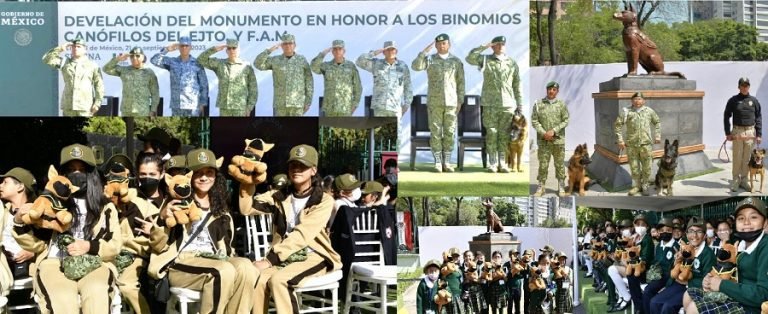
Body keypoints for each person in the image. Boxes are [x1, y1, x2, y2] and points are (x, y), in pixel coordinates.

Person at [12, 144, 121, 313]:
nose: (76, 174)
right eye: (71, 170)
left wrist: (88, 246)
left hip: (94, 262)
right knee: (63, 297)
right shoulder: (49, 204)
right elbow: (36, 245)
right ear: (63, 174)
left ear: (91, 174)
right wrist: (19, 222)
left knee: (96, 291)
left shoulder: (105, 207)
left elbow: (115, 245)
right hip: (55, 262)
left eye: (82, 169)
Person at [145, 148, 256, 314]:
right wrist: (162, 219)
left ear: (215, 176)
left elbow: (227, 247)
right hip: (182, 263)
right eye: (198, 173)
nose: (204, 177)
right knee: (223, 271)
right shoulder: (175, 201)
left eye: (209, 172)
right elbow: (159, 245)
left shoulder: (220, 208)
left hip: (215, 259)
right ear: (189, 176)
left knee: (246, 267)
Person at [238, 144, 342, 313]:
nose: (297, 169)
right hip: (285, 258)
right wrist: (247, 182)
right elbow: (247, 208)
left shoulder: (323, 200)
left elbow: (303, 234)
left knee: (279, 281)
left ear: (313, 170)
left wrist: (270, 260)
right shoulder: (279, 195)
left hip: (314, 256)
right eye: (293, 165)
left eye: (303, 166)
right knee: (257, 279)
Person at [685, 197, 768, 314]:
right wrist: (710, 279)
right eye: (741, 218)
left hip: (752, 307)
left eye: (753, 217)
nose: (746, 222)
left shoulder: (765, 246)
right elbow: (727, 269)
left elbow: (763, 294)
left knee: (694, 308)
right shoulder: (740, 245)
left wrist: (722, 284)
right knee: (688, 295)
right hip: (735, 294)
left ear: (765, 222)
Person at [102, 154, 159, 314]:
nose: (117, 179)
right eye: (113, 175)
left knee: (127, 287)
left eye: (123, 175)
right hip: (105, 256)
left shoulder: (140, 203)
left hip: (133, 256)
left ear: (130, 178)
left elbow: (157, 234)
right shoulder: (99, 202)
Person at [465, 36, 522, 173]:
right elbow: (469, 58)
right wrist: (484, 46)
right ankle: (492, 163)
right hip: (490, 103)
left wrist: (519, 103)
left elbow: (517, 84)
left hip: (507, 104)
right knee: (491, 133)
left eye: (503, 44)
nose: (501, 46)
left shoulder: (512, 63)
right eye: (498, 44)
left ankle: (502, 162)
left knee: (503, 134)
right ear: (493, 46)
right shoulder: (485, 60)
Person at [411, 33, 466, 173]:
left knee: (449, 132)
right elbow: (416, 66)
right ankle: (437, 162)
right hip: (435, 102)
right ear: (435, 45)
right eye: (439, 43)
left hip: (452, 102)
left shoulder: (456, 61)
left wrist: (460, 100)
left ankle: (447, 161)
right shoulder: (429, 60)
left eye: (444, 43)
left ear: (449, 44)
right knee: (435, 132)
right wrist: (424, 52)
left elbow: (461, 82)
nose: (442, 46)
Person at [649, 217, 715, 314]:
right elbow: (674, 270)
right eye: (691, 231)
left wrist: (688, 282)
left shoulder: (708, 254)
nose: (694, 235)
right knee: (654, 302)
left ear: (705, 235)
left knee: (668, 307)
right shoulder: (684, 248)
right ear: (687, 234)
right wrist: (676, 261)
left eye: (699, 231)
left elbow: (708, 281)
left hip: (693, 289)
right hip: (677, 285)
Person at [42, 36, 105, 117]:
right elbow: (46, 59)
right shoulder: (64, 62)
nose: (75, 48)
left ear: (85, 49)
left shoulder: (92, 65)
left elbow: (99, 84)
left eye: (79, 46)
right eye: (73, 47)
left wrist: (97, 103)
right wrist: (61, 48)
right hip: (69, 106)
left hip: (85, 107)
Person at [254, 34, 313, 116]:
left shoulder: (302, 60)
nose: (288, 45)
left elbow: (309, 80)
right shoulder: (275, 60)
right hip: (281, 104)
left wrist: (308, 101)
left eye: (290, 43)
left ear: (294, 45)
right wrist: (269, 51)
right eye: (285, 43)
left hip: (297, 104)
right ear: (281, 46)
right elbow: (257, 64)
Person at [614, 92, 661, 196]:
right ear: (632, 101)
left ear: (644, 101)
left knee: (647, 167)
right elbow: (617, 125)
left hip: (646, 145)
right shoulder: (626, 112)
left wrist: (657, 136)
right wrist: (620, 140)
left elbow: (657, 122)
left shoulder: (649, 111)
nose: (637, 101)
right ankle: (637, 186)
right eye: (635, 99)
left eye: (640, 99)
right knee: (634, 167)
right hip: (632, 145)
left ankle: (645, 185)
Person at [0, 168, 36, 302]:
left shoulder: (36, 210)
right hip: (5, 263)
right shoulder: (2, 211)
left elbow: (50, 241)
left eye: (5, 182)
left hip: (28, 265)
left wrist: (33, 253)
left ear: (20, 186)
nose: (0, 186)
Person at [150, 36, 209, 117]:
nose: (184, 48)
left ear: (190, 47)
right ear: (178, 47)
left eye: (186, 46)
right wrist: (166, 49)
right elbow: (154, 60)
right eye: (182, 46)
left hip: (193, 105)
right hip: (176, 104)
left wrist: (203, 103)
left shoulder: (197, 63)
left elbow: (204, 84)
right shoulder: (172, 62)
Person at [198, 39, 258, 117]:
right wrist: (215, 49)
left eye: (234, 48)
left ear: (239, 49)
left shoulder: (246, 66)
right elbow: (200, 59)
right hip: (224, 108)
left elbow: (253, 88)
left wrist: (249, 107)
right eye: (229, 48)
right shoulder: (220, 64)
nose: (231, 50)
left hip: (240, 108)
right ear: (226, 51)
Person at [356, 40, 413, 118]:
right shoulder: (376, 64)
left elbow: (408, 85)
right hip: (380, 107)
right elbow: (359, 61)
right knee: (381, 130)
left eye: (392, 49)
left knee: (395, 130)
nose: (390, 52)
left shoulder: (402, 66)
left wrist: (407, 104)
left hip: (395, 107)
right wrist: (374, 53)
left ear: (396, 51)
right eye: (387, 49)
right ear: (383, 52)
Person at [724, 77, 763, 192]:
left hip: (750, 132)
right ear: (739, 87)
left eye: (747, 85)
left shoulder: (754, 101)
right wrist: (727, 133)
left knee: (747, 158)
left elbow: (758, 117)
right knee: (737, 157)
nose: (745, 87)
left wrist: (759, 134)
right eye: (743, 85)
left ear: (749, 86)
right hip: (737, 132)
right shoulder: (733, 100)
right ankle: (736, 180)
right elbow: (726, 116)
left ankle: (744, 180)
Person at [532, 81, 569, 195]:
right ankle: (541, 186)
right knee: (543, 164)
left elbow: (566, 120)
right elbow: (534, 120)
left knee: (559, 164)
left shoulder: (561, 104)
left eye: (554, 89)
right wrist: (544, 133)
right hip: (544, 141)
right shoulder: (538, 104)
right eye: (549, 89)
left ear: (557, 91)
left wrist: (554, 131)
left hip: (558, 140)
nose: (551, 91)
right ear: (546, 90)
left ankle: (561, 185)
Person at [311, 39, 362, 117]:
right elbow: (314, 67)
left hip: (346, 108)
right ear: (332, 51)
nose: (337, 51)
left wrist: (354, 105)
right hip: (330, 108)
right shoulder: (326, 66)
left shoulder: (351, 66)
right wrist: (323, 54)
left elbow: (358, 87)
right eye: (335, 49)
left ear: (344, 51)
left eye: (340, 49)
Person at [103, 47, 160, 116]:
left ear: (143, 57)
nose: (134, 58)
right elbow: (106, 69)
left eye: (138, 56)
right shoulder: (124, 70)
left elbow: (155, 93)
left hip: (142, 111)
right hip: (126, 110)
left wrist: (153, 110)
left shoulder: (149, 73)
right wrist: (117, 59)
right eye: (132, 56)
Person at [640, 218, 679, 314]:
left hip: (670, 278)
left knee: (649, 292)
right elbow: (656, 261)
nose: (665, 233)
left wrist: (668, 285)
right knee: (647, 290)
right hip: (658, 275)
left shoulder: (676, 247)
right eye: (662, 231)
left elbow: (676, 268)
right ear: (658, 232)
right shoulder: (658, 246)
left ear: (673, 231)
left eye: (668, 230)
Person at [624, 214, 654, 313]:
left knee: (632, 277)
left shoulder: (647, 239)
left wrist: (635, 261)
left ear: (647, 227)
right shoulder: (637, 238)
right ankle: (638, 305)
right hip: (636, 266)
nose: (640, 227)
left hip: (645, 269)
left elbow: (645, 258)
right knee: (630, 275)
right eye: (638, 224)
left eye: (642, 224)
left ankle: (639, 307)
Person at [607, 219, 633, 312]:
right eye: (622, 228)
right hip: (625, 266)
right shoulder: (621, 239)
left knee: (611, 269)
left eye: (626, 228)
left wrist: (621, 261)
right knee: (611, 270)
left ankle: (625, 297)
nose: (624, 230)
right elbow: (619, 255)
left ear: (631, 228)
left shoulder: (634, 239)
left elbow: (633, 259)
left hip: (635, 270)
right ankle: (621, 297)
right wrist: (616, 258)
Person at [503, 249, 523, 314]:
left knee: (517, 305)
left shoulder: (520, 263)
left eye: (516, 254)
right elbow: (505, 276)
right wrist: (512, 271)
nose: (515, 256)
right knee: (510, 305)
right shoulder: (506, 264)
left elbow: (522, 275)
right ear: (510, 255)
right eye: (514, 254)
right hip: (509, 287)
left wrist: (517, 272)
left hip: (517, 287)